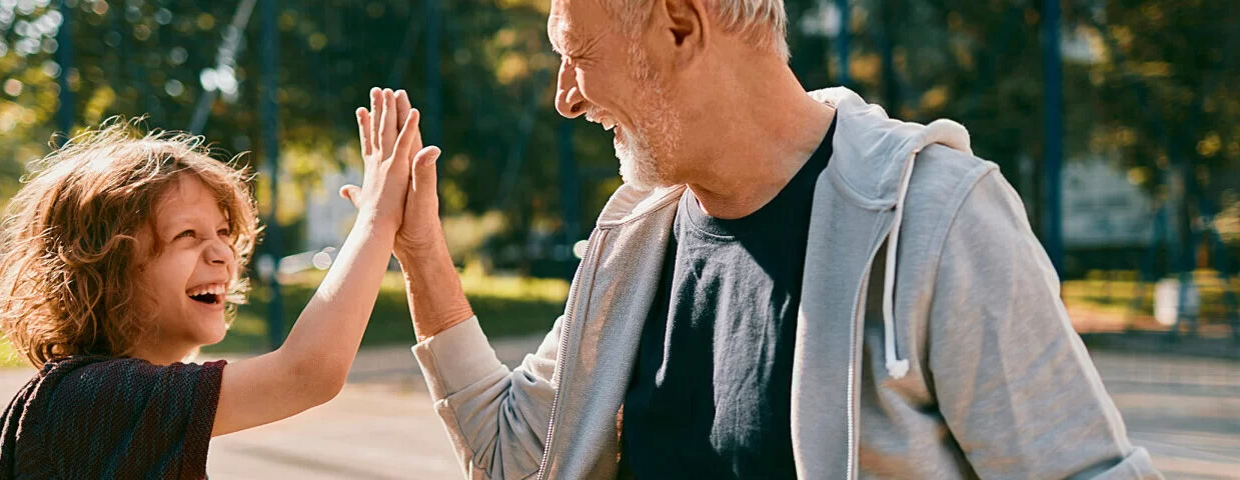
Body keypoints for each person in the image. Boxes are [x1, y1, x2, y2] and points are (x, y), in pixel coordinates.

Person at [381, 0, 1162, 478]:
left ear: (680, 25)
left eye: (576, 54)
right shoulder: (634, 236)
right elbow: (514, 457)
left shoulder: (939, 218)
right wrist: (420, 252)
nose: (566, 96)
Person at [0, 88, 432, 478]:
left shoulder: (106, 398)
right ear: (103, 267)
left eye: (224, 233)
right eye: (187, 235)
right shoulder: (90, 398)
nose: (221, 253)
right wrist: (377, 219)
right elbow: (305, 374)